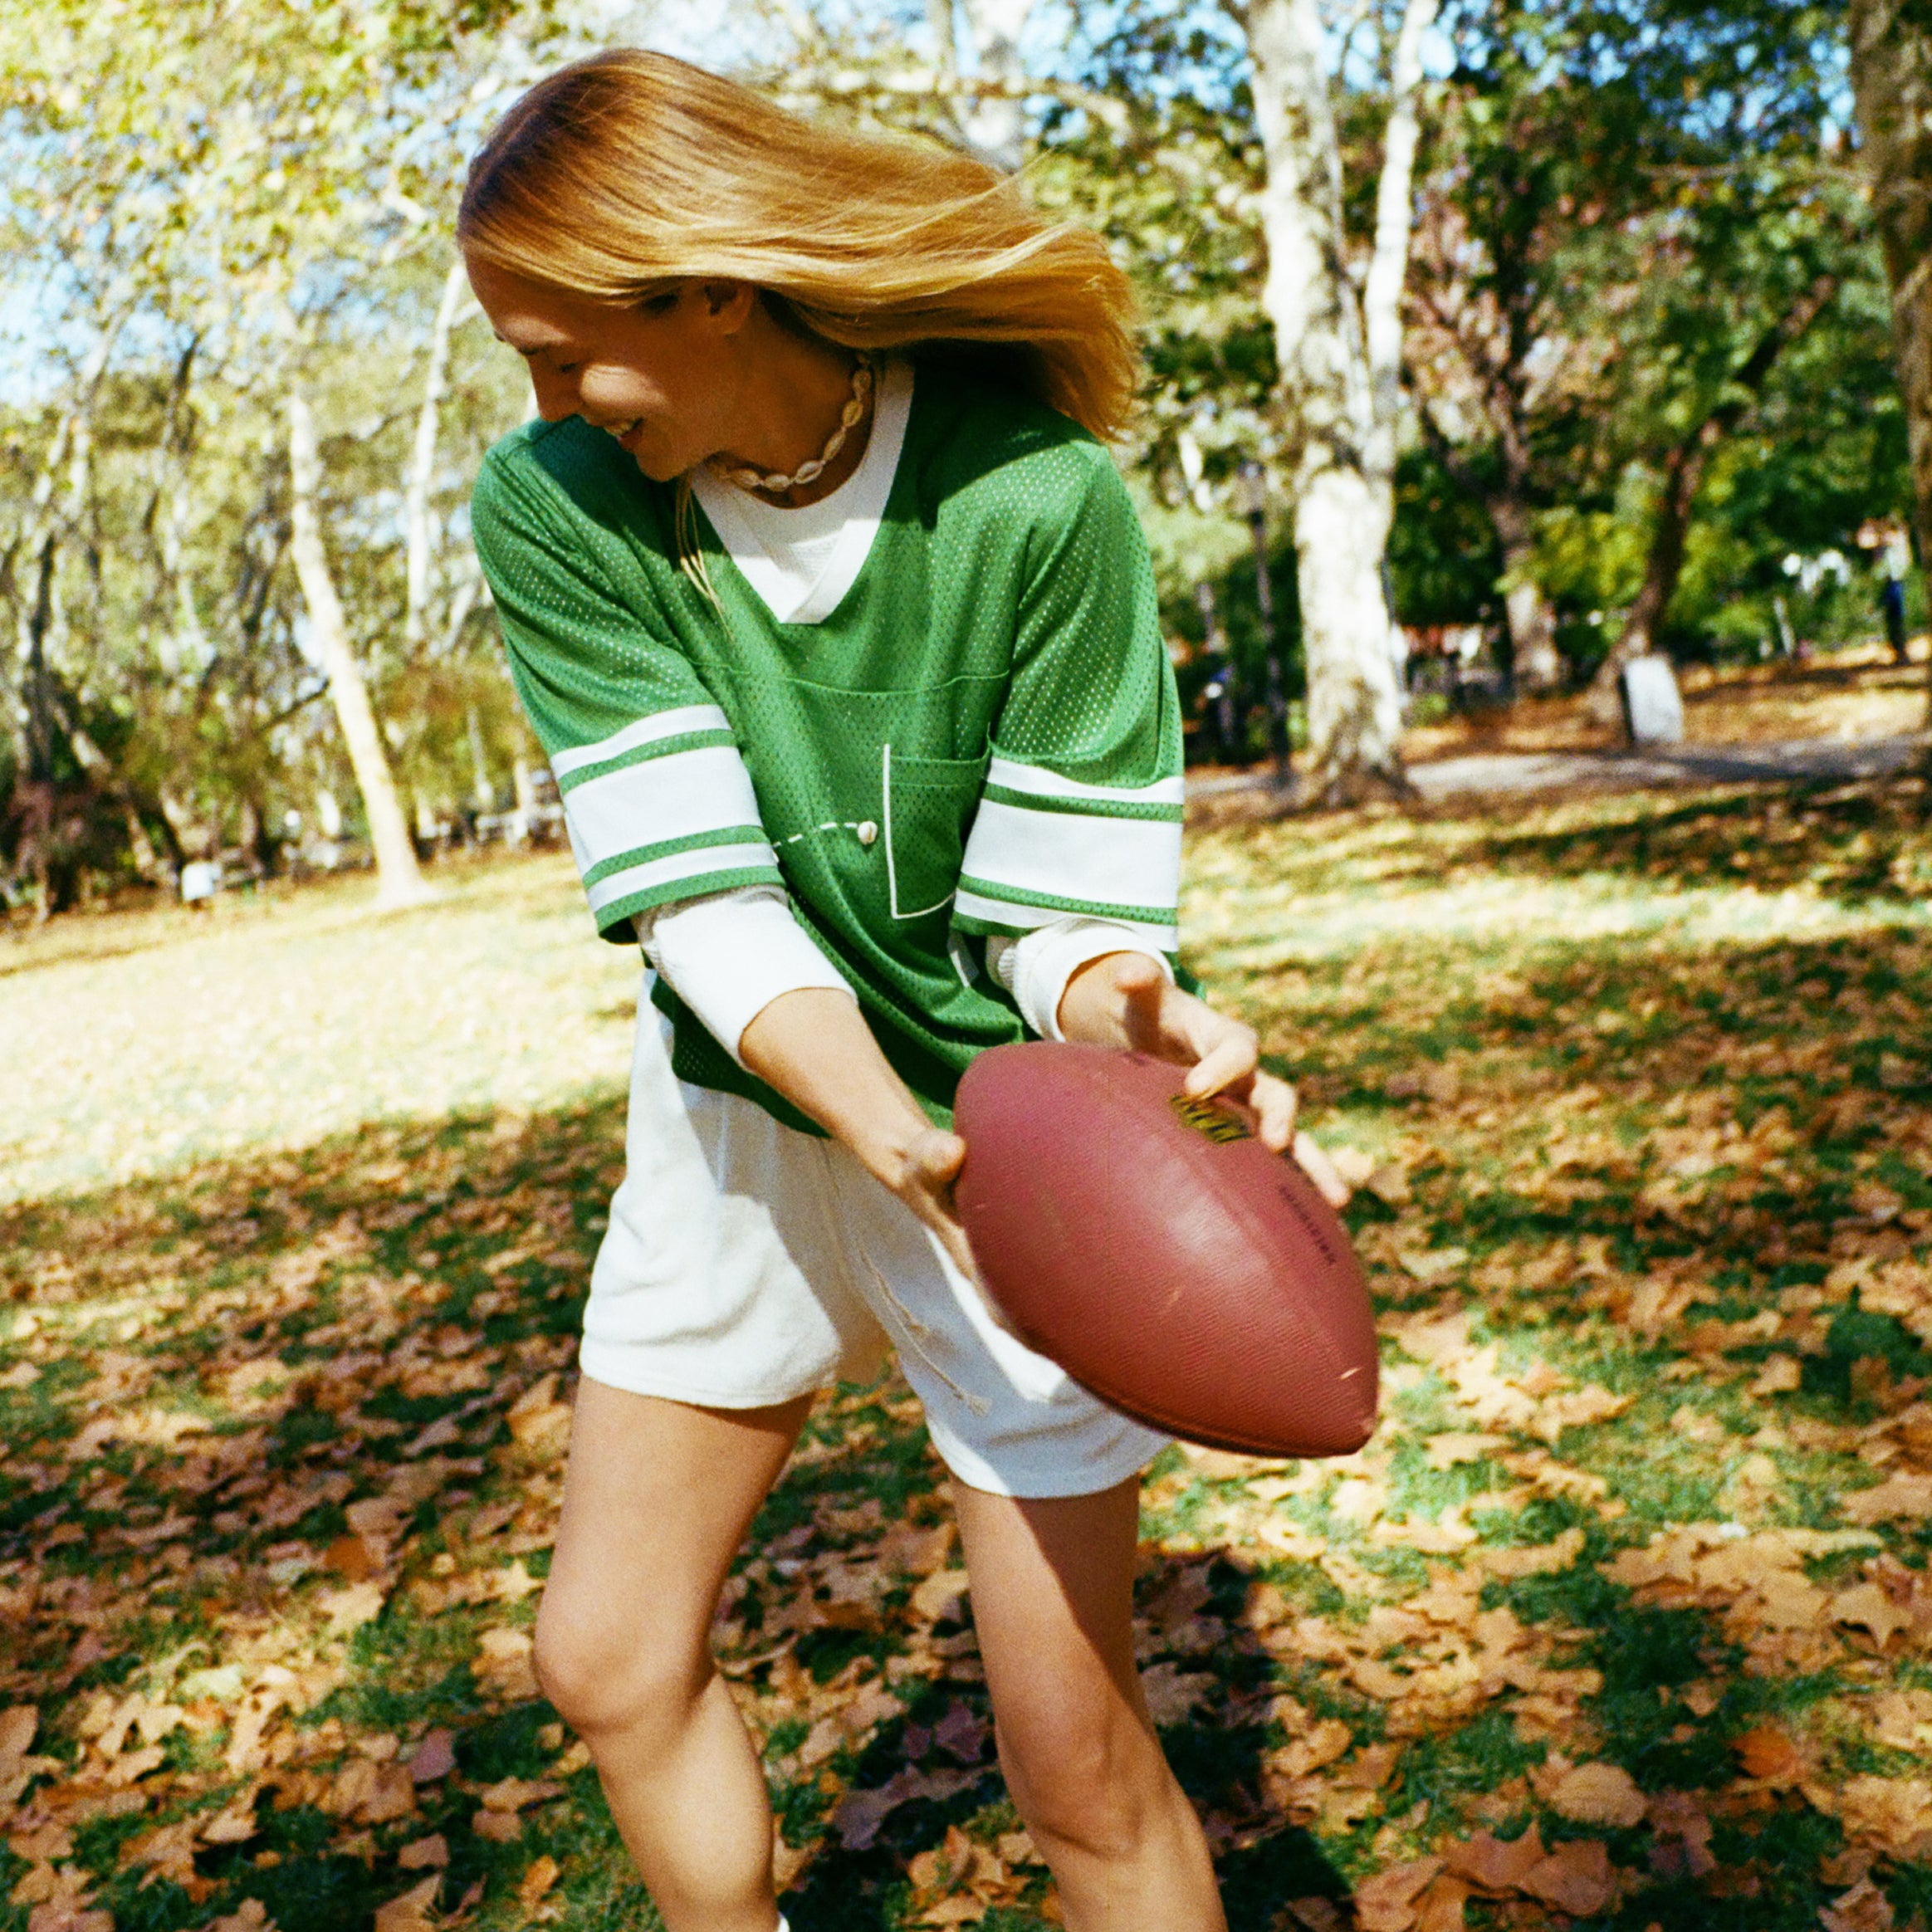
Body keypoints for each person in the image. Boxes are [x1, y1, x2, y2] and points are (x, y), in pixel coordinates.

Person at [458, 50, 1344, 1932]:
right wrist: (866, 1124)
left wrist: (1137, 1013)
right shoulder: (557, 505)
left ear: (704, 286)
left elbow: (1055, 919)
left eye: (560, 352)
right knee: (607, 1662)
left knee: (1075, 1765)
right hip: (745, 1122)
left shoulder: (1035, 497)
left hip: (1010, 1149)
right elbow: (700, 892)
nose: (542, 404)